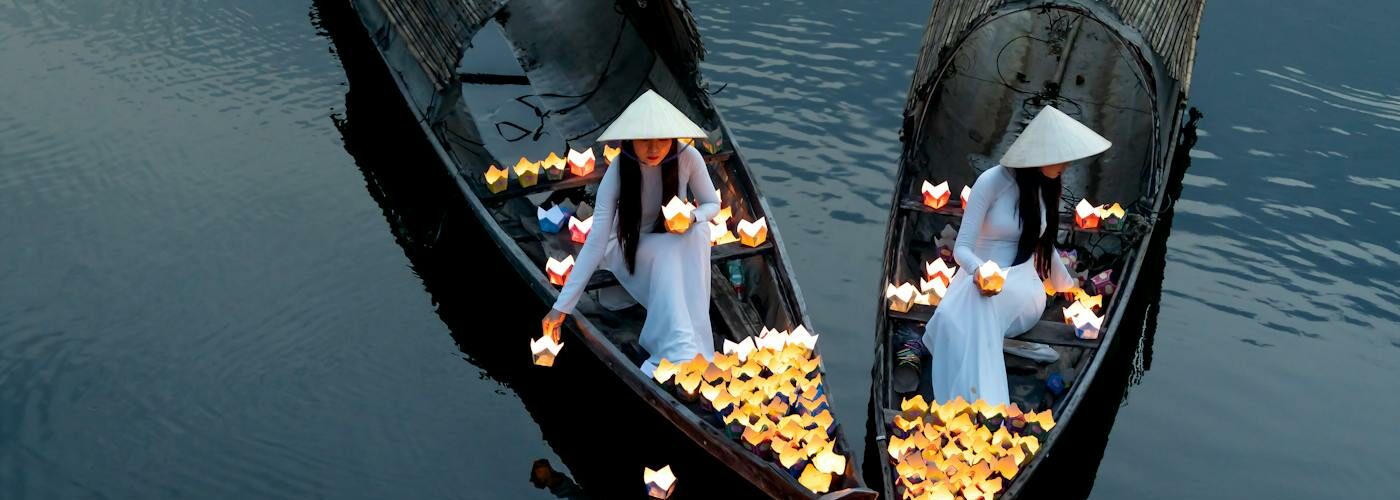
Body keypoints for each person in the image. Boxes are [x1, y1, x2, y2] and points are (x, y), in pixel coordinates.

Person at [923, 105, 1112, 406]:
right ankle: (975, 390)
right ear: (1041, 155)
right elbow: (961, 250)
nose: (1066, 165)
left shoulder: (1046, 188)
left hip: (1022, 286)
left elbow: (1042, 244)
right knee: (949, 317)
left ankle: (983, 405)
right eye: (1061, 158)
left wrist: (1067, 283)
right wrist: (980, 272)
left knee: (983, 308)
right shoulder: (991, 182)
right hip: (974, 277)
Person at [541, 90, 720, 375]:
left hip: (669, 238)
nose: (654, 148)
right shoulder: (619, 171)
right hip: (626, 245)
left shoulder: (689, 158)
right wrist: (561, 307)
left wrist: (692, 216)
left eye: (662, 139)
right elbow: (596, 241)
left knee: (698, 233)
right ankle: (678, 348)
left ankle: (695, 339)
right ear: (630, 140)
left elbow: (712, 204)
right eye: (644, 140)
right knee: (668, 252)